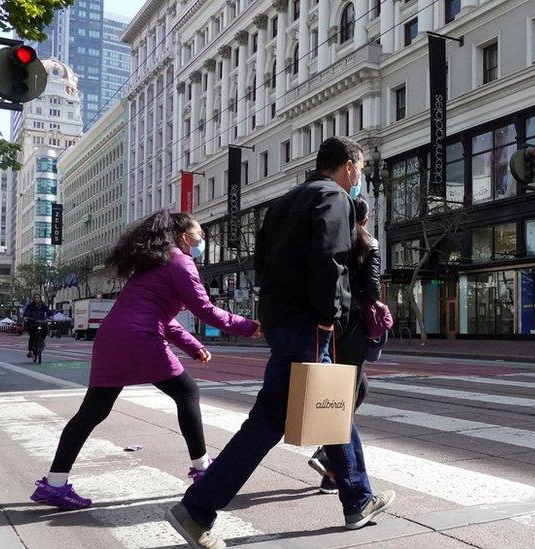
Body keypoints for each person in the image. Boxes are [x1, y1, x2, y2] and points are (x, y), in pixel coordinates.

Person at [168, 137, 395, 549]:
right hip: (310, 323)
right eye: (358, 169)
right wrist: (327, 316)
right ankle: (197, 509)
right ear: (347, 166)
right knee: (271, 420)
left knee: (332, 405)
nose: (358, 177)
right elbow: (330, 259)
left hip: (284, 320)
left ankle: (358, 498)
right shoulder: (335, 197)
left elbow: (263, 264)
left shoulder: (285, 202)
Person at [30, 210, 261, 511]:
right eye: (200, 233)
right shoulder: (181, 261)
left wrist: (192, 345)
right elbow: (204, 309)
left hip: (113, 337)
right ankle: (202, 470)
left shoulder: (156, 262)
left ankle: (55, 484)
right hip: (139, 338)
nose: (202, 239)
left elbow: (162, 316)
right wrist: (249, 326)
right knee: (186, 391)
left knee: (92, 412)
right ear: (183, 236)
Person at [308, 197, 378, 495]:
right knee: (345, 397)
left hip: (329, 323)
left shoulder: (333, 239)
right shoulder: (367, 243)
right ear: (364, 219)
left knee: (355, 390)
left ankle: (331, 470)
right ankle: (327, 455)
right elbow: (373, 289)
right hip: (354, 327)